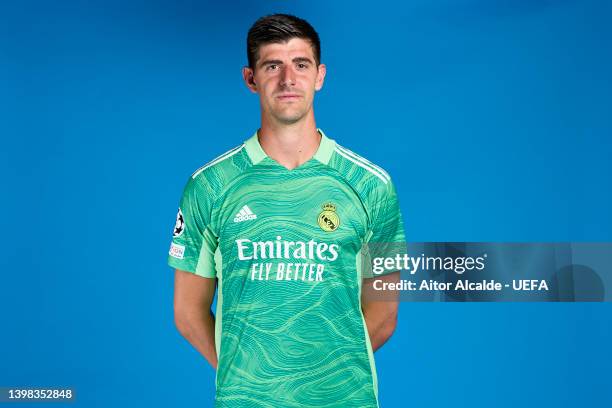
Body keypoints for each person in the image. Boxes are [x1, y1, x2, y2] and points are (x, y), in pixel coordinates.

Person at [168, 13, 405, 407]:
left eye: (301, 64)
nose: (288, 79)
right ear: (251, 78)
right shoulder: (210, 185)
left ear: (320, 76)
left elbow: (384, 314)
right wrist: (248, 378)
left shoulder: (371, 185)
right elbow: (187, 310)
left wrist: (318, 381)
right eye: (272, 65)